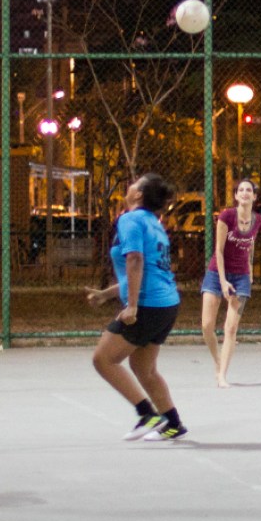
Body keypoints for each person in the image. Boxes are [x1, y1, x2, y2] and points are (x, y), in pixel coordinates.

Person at [86, 173, 187, 441]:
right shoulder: (154, 223)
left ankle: (148, 415)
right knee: (144, 368)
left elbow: (135, 260)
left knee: (103, 359)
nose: (129, 185)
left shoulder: (130, 219)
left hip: (147, 304)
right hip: (166, 303)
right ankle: (173, 423)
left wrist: (131, 307)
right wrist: (108, 294)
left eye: (135, 183)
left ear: (139, 194)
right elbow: (148, 268)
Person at [201, 178, 261, 387]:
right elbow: (218, 249)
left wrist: (250, 270)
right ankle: (217, 361)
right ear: (236, 195)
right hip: (217, 273)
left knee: (231, 328)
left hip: (241, 275)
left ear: (254, 196)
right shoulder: (227, 216)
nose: (245, 193)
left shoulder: (258, 220)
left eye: (249, 190)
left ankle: (222, 376)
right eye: (241, 190)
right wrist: (223, 280)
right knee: (207, 325)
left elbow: (250, 246)